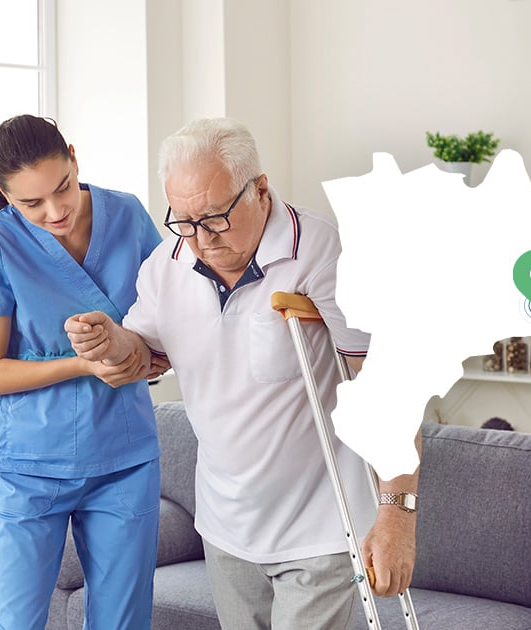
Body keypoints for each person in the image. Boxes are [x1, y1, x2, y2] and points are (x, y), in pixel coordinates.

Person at [65, 118, 420, 630]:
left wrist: (396, 515)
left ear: (258, 189)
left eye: (213, 218)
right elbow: (144, 355)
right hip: (226, 527)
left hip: (321, 527)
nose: (200, 239)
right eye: (183, 221)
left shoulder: (321, 251)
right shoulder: (165, 266)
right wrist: (111, 340)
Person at [0, 114, 167, 629]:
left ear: (73, 156)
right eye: (31, 203)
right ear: (4, 193)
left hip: (124, 456)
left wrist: (141, 355)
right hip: (29, 464)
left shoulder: (128, 215)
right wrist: (83, 361)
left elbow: (167, 327)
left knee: (123, 622)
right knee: (17, 622)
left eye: (62, 188)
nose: (55, 210)